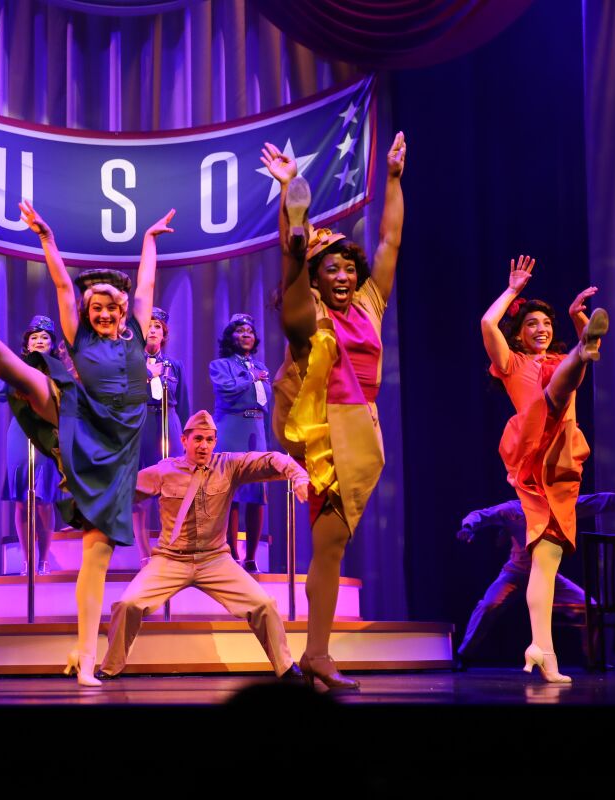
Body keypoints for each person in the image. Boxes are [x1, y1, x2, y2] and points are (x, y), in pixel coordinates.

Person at [0, 200, 174, 686]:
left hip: (118, 454)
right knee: (30, 379)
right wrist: (46, 238)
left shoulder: (135, 341)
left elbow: (146, 283)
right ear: (88, 314)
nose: (105, 311)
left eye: (113, 305)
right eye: (98, 307)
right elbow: (65, 286)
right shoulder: (79, 338)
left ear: (126, 309)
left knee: (97, 558)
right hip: (82, 421)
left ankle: (86, 654)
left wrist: (149, 242)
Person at [262, 132, 406, 690]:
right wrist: (288, 201)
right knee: (298, 309)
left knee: (334, 545)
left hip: (362, 428)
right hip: (321, 425)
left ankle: (316, 653)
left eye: (349, 268)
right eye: (334, 270)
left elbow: (390, 241)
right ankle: (317, 652)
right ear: (323, 277)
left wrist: (392, 179)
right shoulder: (315, 304)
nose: (344, 276)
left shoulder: (369, 303)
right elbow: (294, 267)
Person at [95, 410, 309, 681]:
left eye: (209, 440)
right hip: (170, 560)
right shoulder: (165, 470)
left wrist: (298, 476)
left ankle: (286, 667)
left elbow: (271, 459)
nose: (204, 446)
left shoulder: (228, 466)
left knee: (264, 604)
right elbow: (123, 491)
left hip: (214, 560)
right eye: (198, 439)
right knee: (127, 604)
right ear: (184, 440)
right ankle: (110, 667)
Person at [480, 255, 610, 682]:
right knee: (562, 383)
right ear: (518, 335)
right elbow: (487, 324)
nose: (540, 329)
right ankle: (586, 345)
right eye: (532, 324)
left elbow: (574, 375)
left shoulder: (557, 361)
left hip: (563, 462)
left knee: (546, 561)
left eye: (546, 324)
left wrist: (576, 318)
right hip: (535, 448)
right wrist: (514, 290)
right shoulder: (512, 364)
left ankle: (542, 648)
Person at [456, 492, 615, 665]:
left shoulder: (562, 509)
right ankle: (464, 655)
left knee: (591, 608)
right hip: (515, 574)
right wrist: (468, 527)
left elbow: (601, 501)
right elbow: (480, 515)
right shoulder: (512, 509)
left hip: (547, 577)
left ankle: (591, 659)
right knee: (489, 605)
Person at [0, 315, 67, 575]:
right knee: (21, 500)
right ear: (27, 344)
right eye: (34, 337)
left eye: (44, 337)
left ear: (51, 344)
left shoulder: (58, 370)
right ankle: (26, 561)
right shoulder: (17, 366)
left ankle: (44, 559)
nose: (39, 341)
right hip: (20, 433)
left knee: (44, 499)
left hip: (47, 434)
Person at [210, 313, 273, 571]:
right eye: (240, 331)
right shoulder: (219, 365)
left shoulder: (262, 368)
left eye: (250, 331)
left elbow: (266, 403)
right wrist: (250, 379)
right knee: (232, 493)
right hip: (231, 427)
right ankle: (232, 553)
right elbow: (226, 388)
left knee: (257, 494)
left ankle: (251, 557)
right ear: (230, 337)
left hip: (256, 429)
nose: (246, 334)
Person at [133, 307, 188, 564]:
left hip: (169, 422)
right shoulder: (131, 363)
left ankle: (170, 547)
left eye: (157, 326)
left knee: (171, 486)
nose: (153, 330)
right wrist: (145, 374)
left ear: (164, 333)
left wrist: (187, 437)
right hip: (141, 422)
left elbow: (185, 402)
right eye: (149, 325)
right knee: (142, 489)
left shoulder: (174, 366)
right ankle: (144, 554)